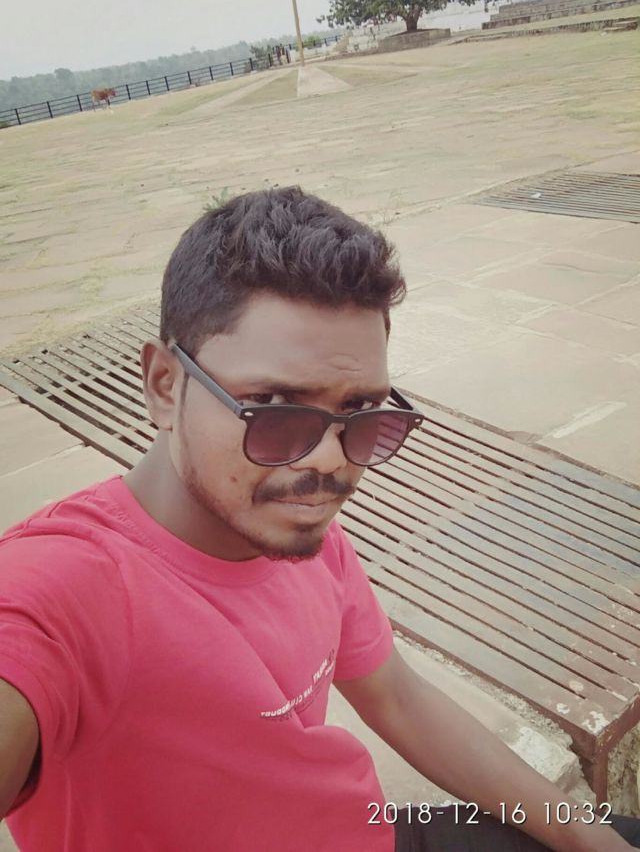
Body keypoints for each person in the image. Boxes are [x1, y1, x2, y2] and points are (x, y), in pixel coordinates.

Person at [0, 187, 638, 852]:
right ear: (165, 385)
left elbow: (397, 696)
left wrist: (588, 839)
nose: (330, 460)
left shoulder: (300, 530)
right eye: (275, 406)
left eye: (362, 412)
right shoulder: (60, 595)